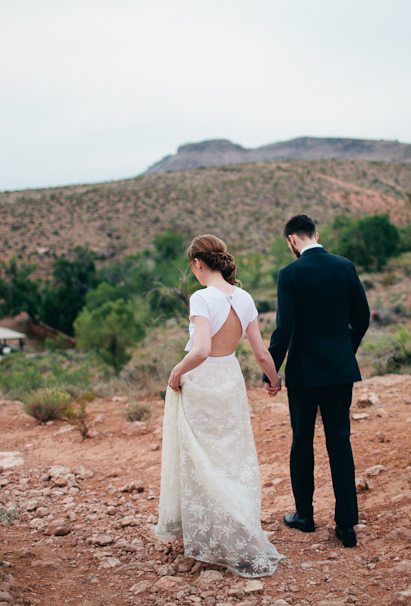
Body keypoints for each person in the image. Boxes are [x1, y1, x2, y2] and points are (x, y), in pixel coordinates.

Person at [156, 234, 285, 577]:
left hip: (201, 380)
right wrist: (274, 380)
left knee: (202, 457)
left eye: (192, 265)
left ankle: (217, 534)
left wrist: (175, 372)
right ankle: (240, 530)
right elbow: (260, 352)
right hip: (230, 379)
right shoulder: (243, 298)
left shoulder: (201, 298)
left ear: (198, 262)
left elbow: (199, 350)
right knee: (232, 456)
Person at [264, 214, 370, 548]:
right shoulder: (345, 267)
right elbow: (362, 318)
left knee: (302, 442)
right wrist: (344, 352)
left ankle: (305, 516)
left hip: (304, 374)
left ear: (292, 240)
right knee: (340, 441)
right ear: (316, 234)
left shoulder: (290, 274)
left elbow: (283, 329)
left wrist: (271, 372)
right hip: (340, 371)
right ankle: (347, 525)